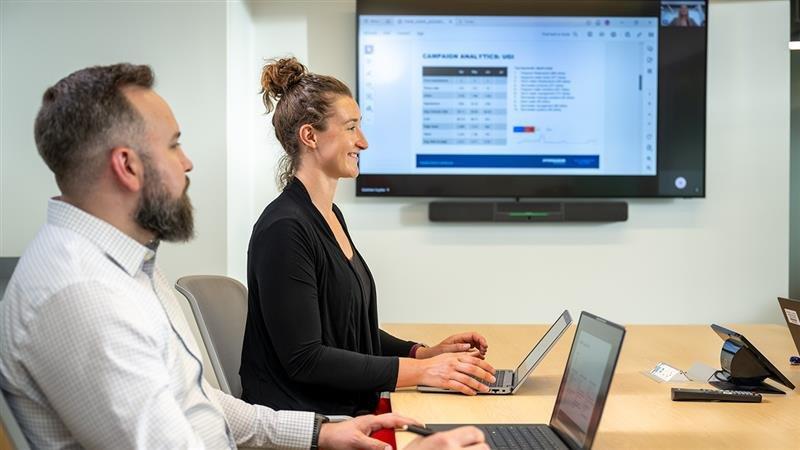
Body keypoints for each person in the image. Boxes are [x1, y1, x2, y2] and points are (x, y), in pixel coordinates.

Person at [0, 63, 487, 450]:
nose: (188, 161)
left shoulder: (126, 268)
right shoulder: (83, 293)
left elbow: (200, 401)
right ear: (127, 165)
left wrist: (318, 434)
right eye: (173, 145)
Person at [240, 57, 497, 417]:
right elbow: (306, 359)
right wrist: (422, 372)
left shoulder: (329, 216)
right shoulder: (284, 229)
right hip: (314, 421)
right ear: (310, 136)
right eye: (350, 128)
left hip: (344, 407)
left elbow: (347, 330)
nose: (363, 142)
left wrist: (421, 354)